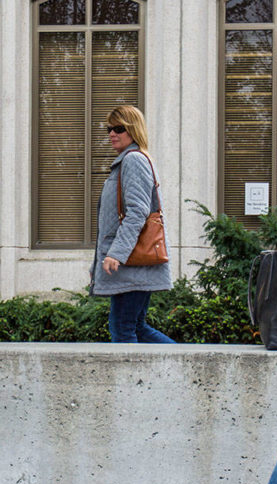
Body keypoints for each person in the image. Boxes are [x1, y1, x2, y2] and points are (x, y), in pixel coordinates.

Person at [90, 105, 174, 343]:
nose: (111, 134)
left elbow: (138, 212)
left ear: (132, 129)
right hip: (130, 262)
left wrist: (115, 254)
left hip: (131, 262)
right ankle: (187, 369)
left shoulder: (133, 160)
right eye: (109, 129)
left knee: (123, 328)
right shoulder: (129, 160)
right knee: (136, 327)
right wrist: (97, 263)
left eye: (119, 128)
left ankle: (184, 370)